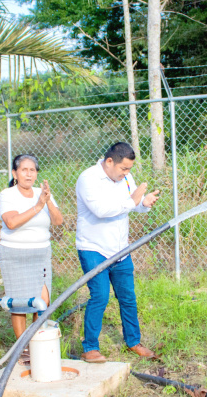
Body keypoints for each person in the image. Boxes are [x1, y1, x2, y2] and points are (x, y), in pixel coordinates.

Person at [75, 142, 160, 363]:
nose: (127, 174)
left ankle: (133, 342)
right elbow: (102, 211)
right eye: (124, 169)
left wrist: (144, 203)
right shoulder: (88, 179)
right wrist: (133, 201)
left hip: (121, 249)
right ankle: (90, 347)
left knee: (128, 297)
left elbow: (133, 205)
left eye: (129, 169)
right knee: (100, 296)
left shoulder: (125, 178)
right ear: (109, 161)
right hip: (94, 248)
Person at [0, 154, 63, 364]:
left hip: (41, 253)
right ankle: (22, 348)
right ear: (15, 174)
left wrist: (47, 201)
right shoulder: (7, 194)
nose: (29, 174)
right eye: (24, 170)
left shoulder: (42, 193)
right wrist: (37, 206)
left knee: (42, 301)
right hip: (15, 254)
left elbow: (58, 221)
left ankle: (38, 340)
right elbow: (11, 222)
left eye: (32, 170)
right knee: (20, 303)